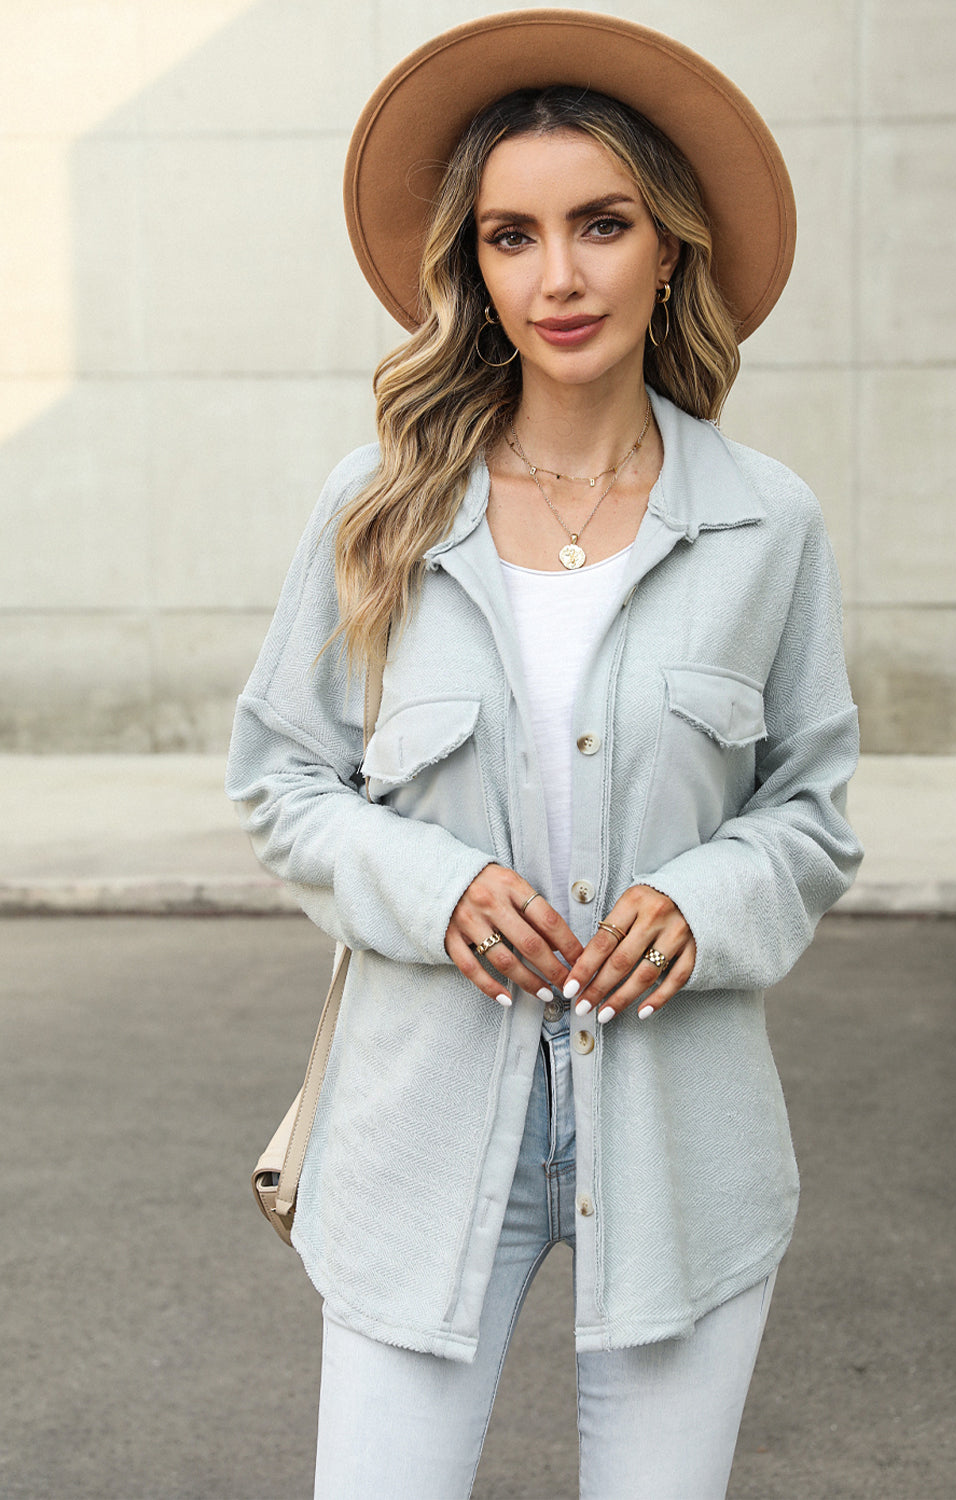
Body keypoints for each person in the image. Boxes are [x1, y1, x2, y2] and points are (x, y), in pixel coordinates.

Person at [226, 11, 863, 1497]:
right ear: (475, 269)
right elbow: (281, 781)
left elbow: (813, 813)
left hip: (681, 1143)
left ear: (668, 246)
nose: (558, 276)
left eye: (600, 224)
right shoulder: (373, 507)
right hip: (421, 1128)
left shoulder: (768, 521)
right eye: (512, 236)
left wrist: (705, 901)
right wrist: (429, 881)